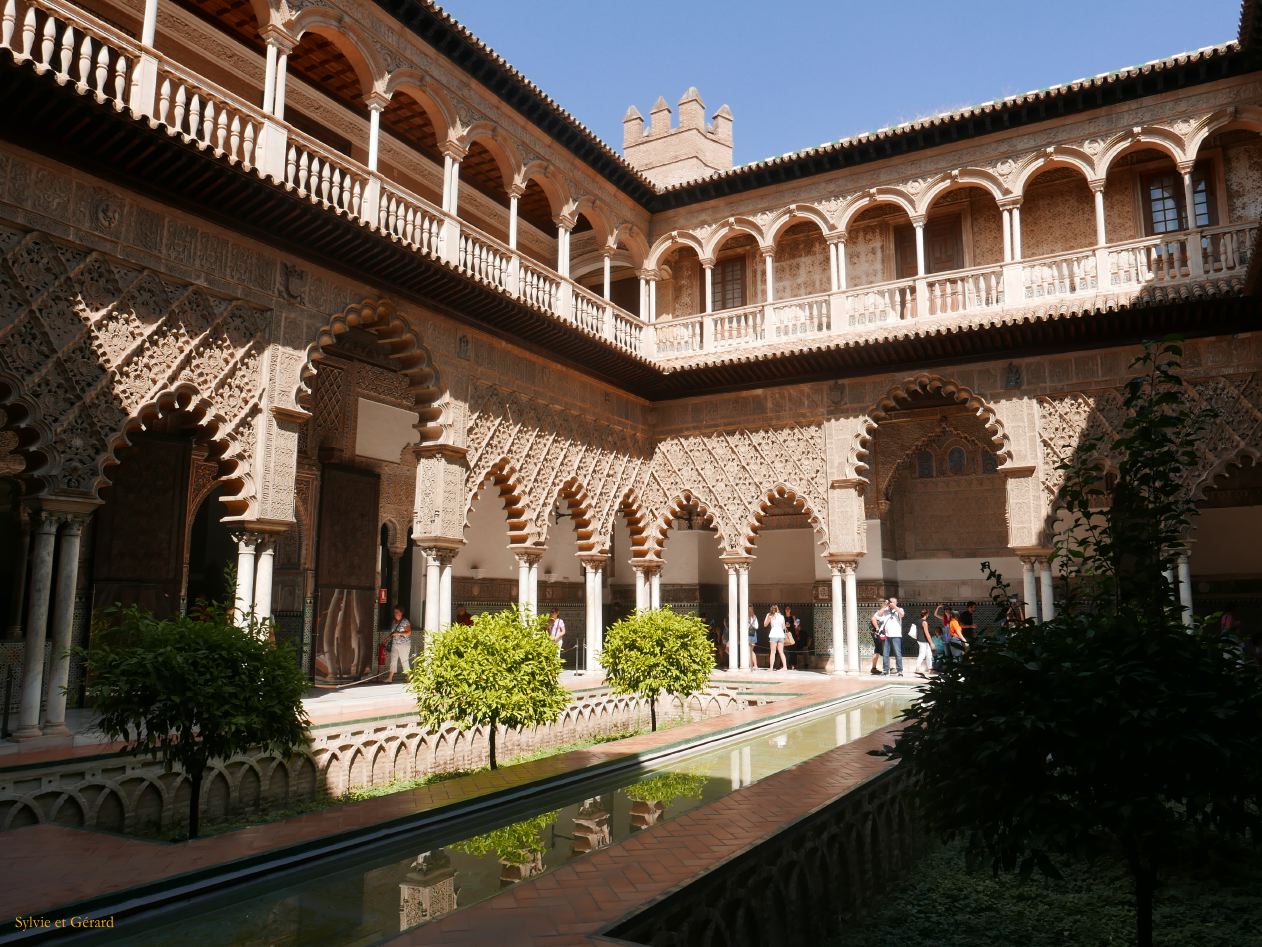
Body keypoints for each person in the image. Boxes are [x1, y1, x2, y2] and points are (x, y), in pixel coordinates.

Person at [873, 598, 905, 676]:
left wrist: (894, 607)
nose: (892, 603)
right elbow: (877, 615)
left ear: (896, 602)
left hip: (896, 635)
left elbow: (902, 614)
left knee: (898, 653)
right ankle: (885, 671)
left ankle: (900, 671)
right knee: (885, 653)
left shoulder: (899, 609)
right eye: (891, 602)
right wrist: (885, 606)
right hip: (886, 635)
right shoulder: (886, 610)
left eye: (894, 602)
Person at [384, 606, 412, 684]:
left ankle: (409, 677)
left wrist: (399, 633)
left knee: (404, 661)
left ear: (401, 613)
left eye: (397, 612)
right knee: (393, 661)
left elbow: (409, 632)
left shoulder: (405, 622)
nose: (395, 614)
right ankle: (390, 678)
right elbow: (393, 633)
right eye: (394, 612)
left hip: (404, 645)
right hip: (395, 644)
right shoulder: (394, 622)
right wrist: (387, 639)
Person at [764, 604, 788, 671]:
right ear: (778, 609)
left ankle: (771, 667)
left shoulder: (769, 615)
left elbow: (765, 624)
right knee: (781, 652)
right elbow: (783, 627)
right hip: (781, 635)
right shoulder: (782, 616)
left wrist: (769, 618)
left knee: (772, 652)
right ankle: (785, 667)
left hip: (774, 635)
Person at [912, 608, 935, 677]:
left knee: (929, 654)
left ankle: (930, 668)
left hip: (921, 640)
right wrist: (931, 643)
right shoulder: (924, 622)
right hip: (923, 640)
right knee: (922, 654)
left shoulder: (918, 621)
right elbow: (927, 633)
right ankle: (917, 668)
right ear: (927, 614)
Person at [747, 605, 760, 670]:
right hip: (753, 634)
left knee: (749, 651)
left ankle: (751, 665)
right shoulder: (755, 617)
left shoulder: (745, 616)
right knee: (751, 651)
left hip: (747, 635)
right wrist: (753, 625)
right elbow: (757, 627)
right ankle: (755, 665)